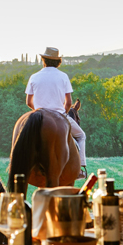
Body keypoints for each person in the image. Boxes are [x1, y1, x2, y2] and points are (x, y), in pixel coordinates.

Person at [25, 47, 87, 179]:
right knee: (81, 136)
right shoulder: (63, 76)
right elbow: (69, 102)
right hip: (59, 114)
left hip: (39, 114)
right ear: (58, 62)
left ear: (43, 60)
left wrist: (39, 111)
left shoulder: (34, 76)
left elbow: (28, 102)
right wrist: (62, 115)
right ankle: (80, 168)